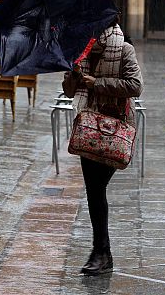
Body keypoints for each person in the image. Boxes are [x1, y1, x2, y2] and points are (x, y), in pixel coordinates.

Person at [62, 19, 143, 275]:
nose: (89, 35)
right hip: (88, 126)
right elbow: (68, 92)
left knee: (96, 189)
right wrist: (73, 76)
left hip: (114, 126)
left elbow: (135, 86)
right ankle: (102, 253)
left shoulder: (124, 49)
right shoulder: (80, 52)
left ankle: (102, 253)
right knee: (94, 190)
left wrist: (96, 82)